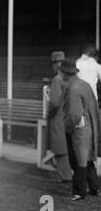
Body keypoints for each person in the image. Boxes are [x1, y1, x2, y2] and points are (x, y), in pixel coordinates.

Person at [60, 59, 101, 201]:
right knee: (87, 158)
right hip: (90, 126)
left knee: (78, 160)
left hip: (78, 130)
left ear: (65, 73)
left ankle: (79, 192)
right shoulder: (84, 84)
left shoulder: (72, 88)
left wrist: (67, 127)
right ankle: (94, 188)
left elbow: (75, 114)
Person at [47, 51, 72, 182]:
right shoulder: (68, 78)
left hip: (58, 117)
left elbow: (54, 102)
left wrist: (49, 112)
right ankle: (67, 174)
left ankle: (65, 175)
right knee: (64, 147)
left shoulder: (57, 79)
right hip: (67, 116)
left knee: (59, 148)